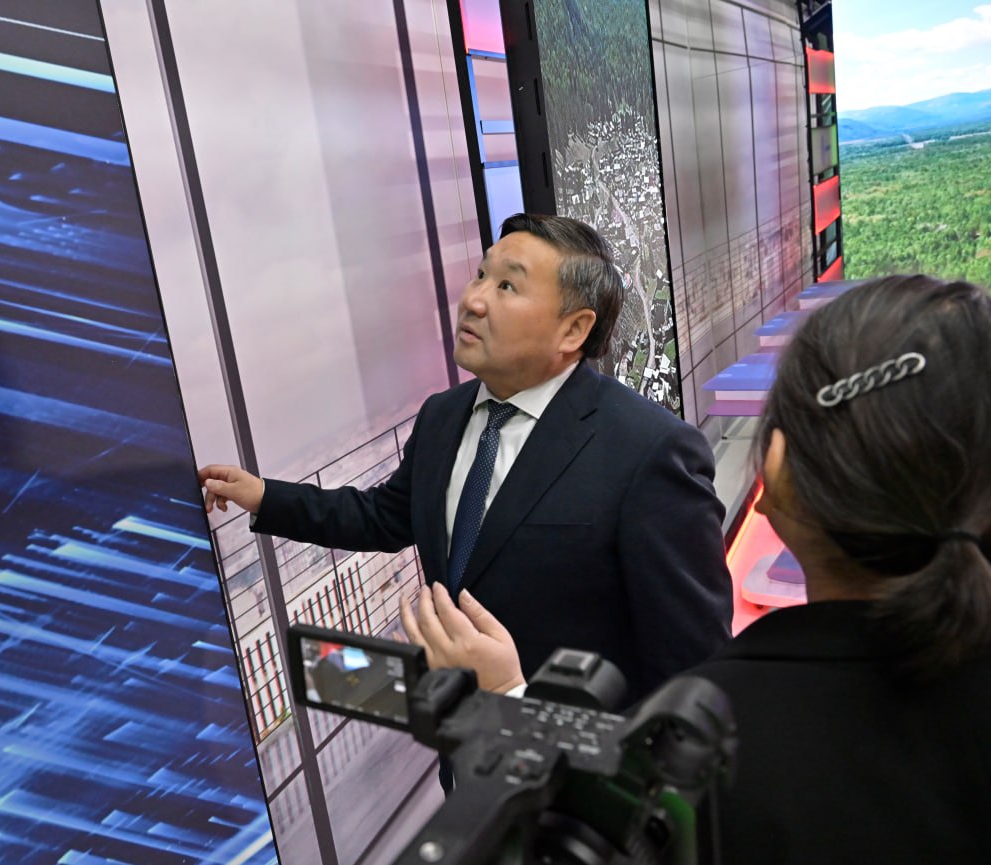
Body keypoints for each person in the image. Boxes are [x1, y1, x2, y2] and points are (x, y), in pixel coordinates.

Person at [404, 274, 991, 863]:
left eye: (509, 283)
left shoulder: (710, 746)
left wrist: (507, 699)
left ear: (778, 471)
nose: (476, 298)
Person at [200, 213, 732, 702]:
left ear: (573, 329)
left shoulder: (649, 451)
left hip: (581, 764)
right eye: (480, 275)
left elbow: (695, 671)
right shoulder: (443, 416)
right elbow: (386, 516)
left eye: (507, 286)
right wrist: (265, 497)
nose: (473, 300)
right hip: (468, 749)